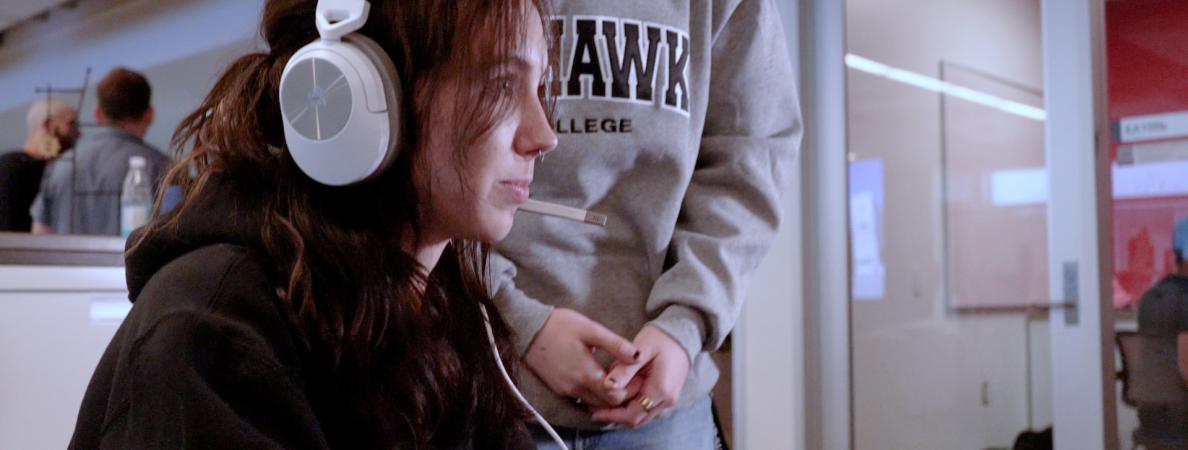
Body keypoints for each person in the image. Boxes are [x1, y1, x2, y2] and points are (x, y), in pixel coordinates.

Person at [68, 0, 575, 448]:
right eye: (502, 85)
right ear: (356, 94)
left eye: (540, 87)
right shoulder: (212, 335)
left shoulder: (442, 306)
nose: (543, 136)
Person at [490, 0, 802, 447]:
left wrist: (684, 324)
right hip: (479, 389)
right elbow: (422, 160)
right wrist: (518, 320)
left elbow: (748, 166)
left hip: (665, 412)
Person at [30, 67, 170, 236]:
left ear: (97, 114)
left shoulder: (60, 166)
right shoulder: (166, 169)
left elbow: (40, 235)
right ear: (149, 115)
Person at [1135, 217, 1188, 442]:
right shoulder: (1185, 299)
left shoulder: (1149, 297)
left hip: (1147, 414)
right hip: (1180, 417)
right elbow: (1186, 370)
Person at [0, 99, 79, 232]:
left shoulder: (53, 171)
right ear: (48, 125)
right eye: (71, 124)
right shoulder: (12, 170)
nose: (78, 134)